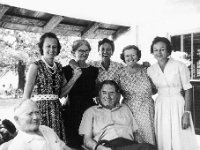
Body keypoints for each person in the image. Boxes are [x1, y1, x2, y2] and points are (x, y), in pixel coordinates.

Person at [147, 36, 198, 150]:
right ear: (152, 52)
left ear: (168, 50)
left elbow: (188, 89)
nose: (159, 52)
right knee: (163, 136)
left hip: (177, 103)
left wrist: (187, 113)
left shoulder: (180, 66)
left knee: (180, 135)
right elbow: (153, 89)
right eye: (155, 50)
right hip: (161, 105)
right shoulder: (150, 70)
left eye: (162, 49)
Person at [79, 80, 157, 150]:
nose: (107, 96)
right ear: (99, 93)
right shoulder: (90, 112)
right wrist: (99, 148)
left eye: (111, 93)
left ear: (117, 95)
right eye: (104, 92)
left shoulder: (125, 108)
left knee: (149, 147)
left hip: (128, 145)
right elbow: (87, 140)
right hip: (106, 146)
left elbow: (135, 133)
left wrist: (140, 141)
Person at [23, 32, 66, 141]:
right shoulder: (35, 66)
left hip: (56, 111)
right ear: (42, 48)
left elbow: (62, 93)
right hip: (40, 111)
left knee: (56, 142)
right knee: (42, 142)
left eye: (54, 47)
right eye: (48, 46)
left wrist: (75, 77)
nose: (51, 49)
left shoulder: (60, 67)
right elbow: (26, 95)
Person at [62, 39, 99, 149]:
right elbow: (62, 93)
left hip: (89, 109)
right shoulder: (66, 70)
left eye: (86, 50)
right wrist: (75, 76)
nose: (84, 53)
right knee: (74, 144)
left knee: (89, 142)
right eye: (80, 50)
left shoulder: (94, 70)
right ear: (74, 52)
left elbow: (97, 91)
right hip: (71, 110)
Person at [116, 45, 156, 145]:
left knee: (149, 138)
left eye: (133, 55)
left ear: (138, 56)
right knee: (133, 139)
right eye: (127, 56)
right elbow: (116, 93)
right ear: (123, 58)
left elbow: (155, 90)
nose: (130, 58)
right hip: (129, 110)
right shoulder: (119, 73)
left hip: (147, 109)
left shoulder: (146, 70)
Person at [6, 99, 71, 150]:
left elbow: (64, 147)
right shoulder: (18, 145)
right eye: (30, 114)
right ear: (17, 119)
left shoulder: (46, 129)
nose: (35, 117)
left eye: (37, 112)